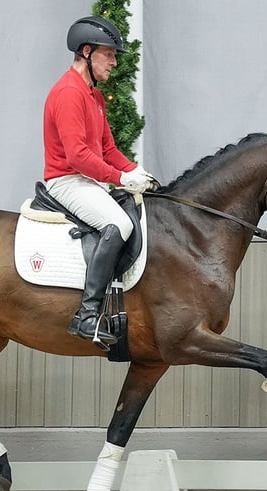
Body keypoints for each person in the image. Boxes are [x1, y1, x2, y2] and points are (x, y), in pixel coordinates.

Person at [43, 15, 157, 346]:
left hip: (88, 181)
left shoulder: (94, 96)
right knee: (119, 224)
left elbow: (107, 149)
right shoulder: (67, 93)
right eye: (109, 54)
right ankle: (87, 315)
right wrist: (120, 177)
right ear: (88, 52)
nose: (115, 62)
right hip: (66, 180)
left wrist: (137, 173)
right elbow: (78, 156)